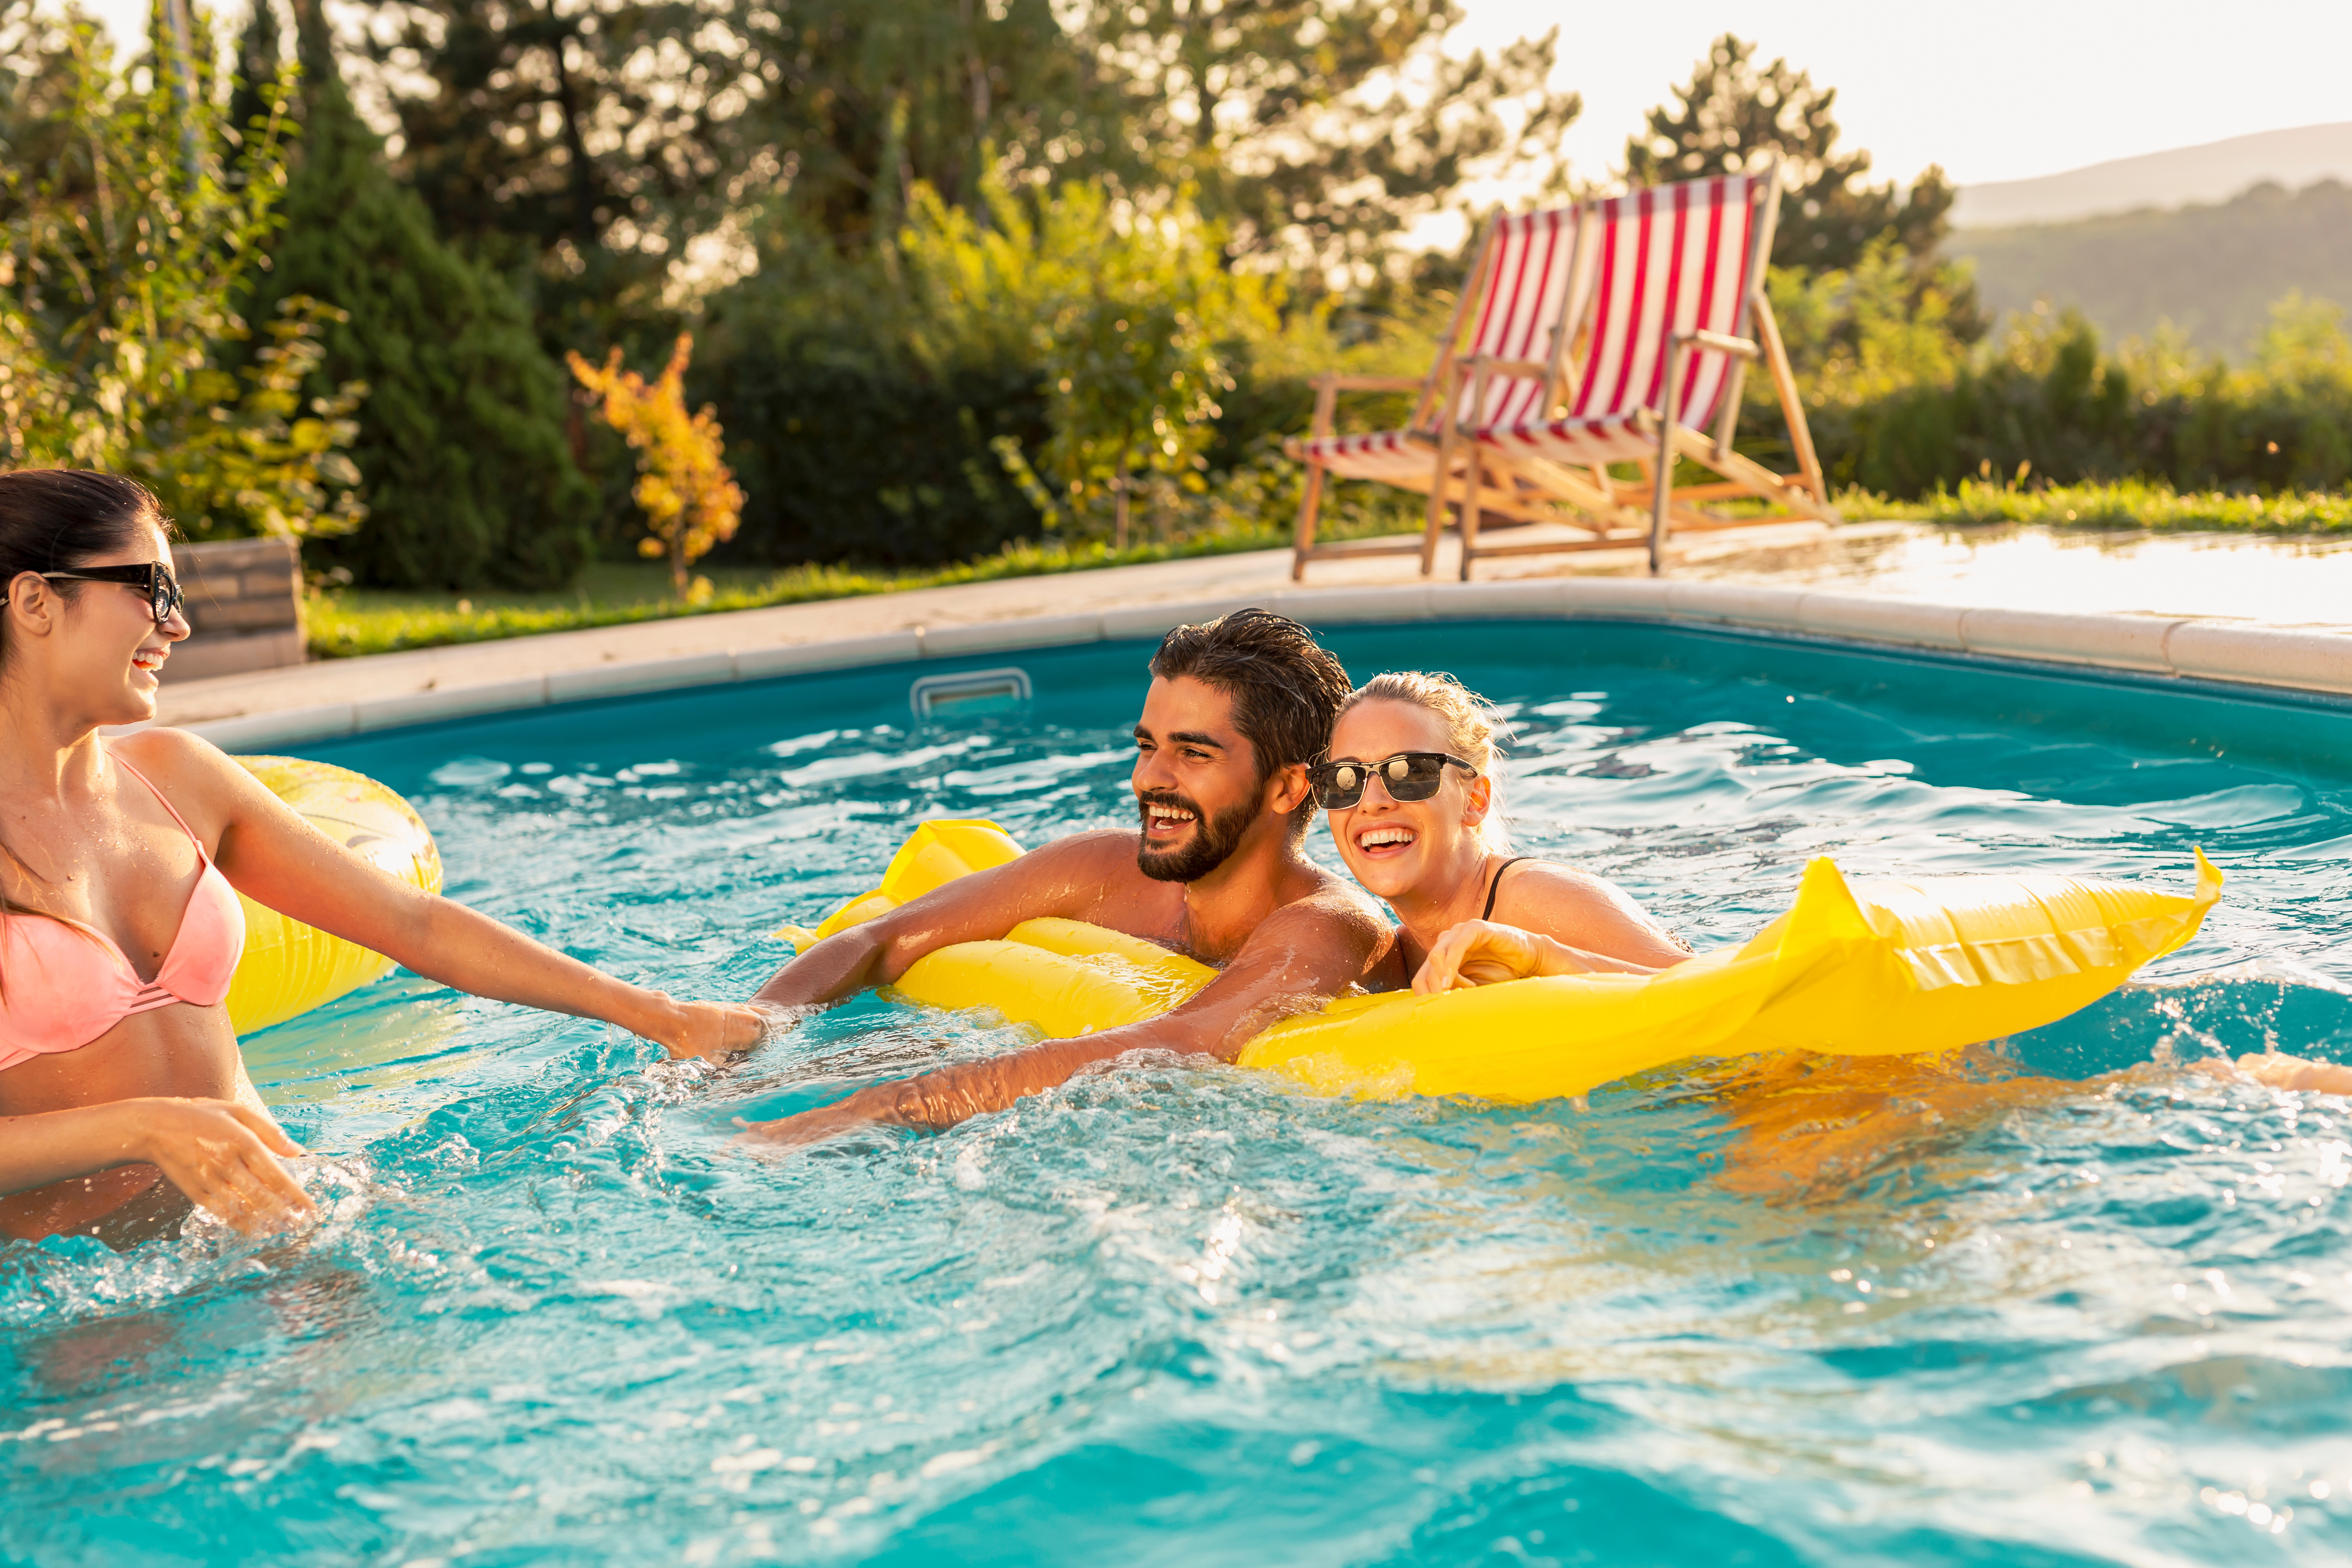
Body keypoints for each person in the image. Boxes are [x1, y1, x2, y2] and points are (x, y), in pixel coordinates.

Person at [0, 470, 764, 1245]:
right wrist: (142, 1128)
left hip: (288, 1216)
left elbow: (413, 924)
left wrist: (664, 1016)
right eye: (153, 589)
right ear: (36, 601)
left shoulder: (177, 778)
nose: (178, 626)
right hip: (87, 1291)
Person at [723, 608, 1388, 1145]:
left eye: (1193, 753)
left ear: (1286, 788)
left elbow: (1182, 1044)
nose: (1150, 778)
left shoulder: (1327, 927)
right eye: (1148, 746)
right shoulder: (1105, 869)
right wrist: (754, 1026)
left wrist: (882, 1106)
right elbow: (887, 935)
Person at [1312, 671, 1689, 993]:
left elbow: (1719, 987)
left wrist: (1540, 957)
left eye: (1411, 772)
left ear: (1474, 799)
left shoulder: (1534, 899)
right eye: (1345, 780)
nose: (1371, 801)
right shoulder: (1400, 955)